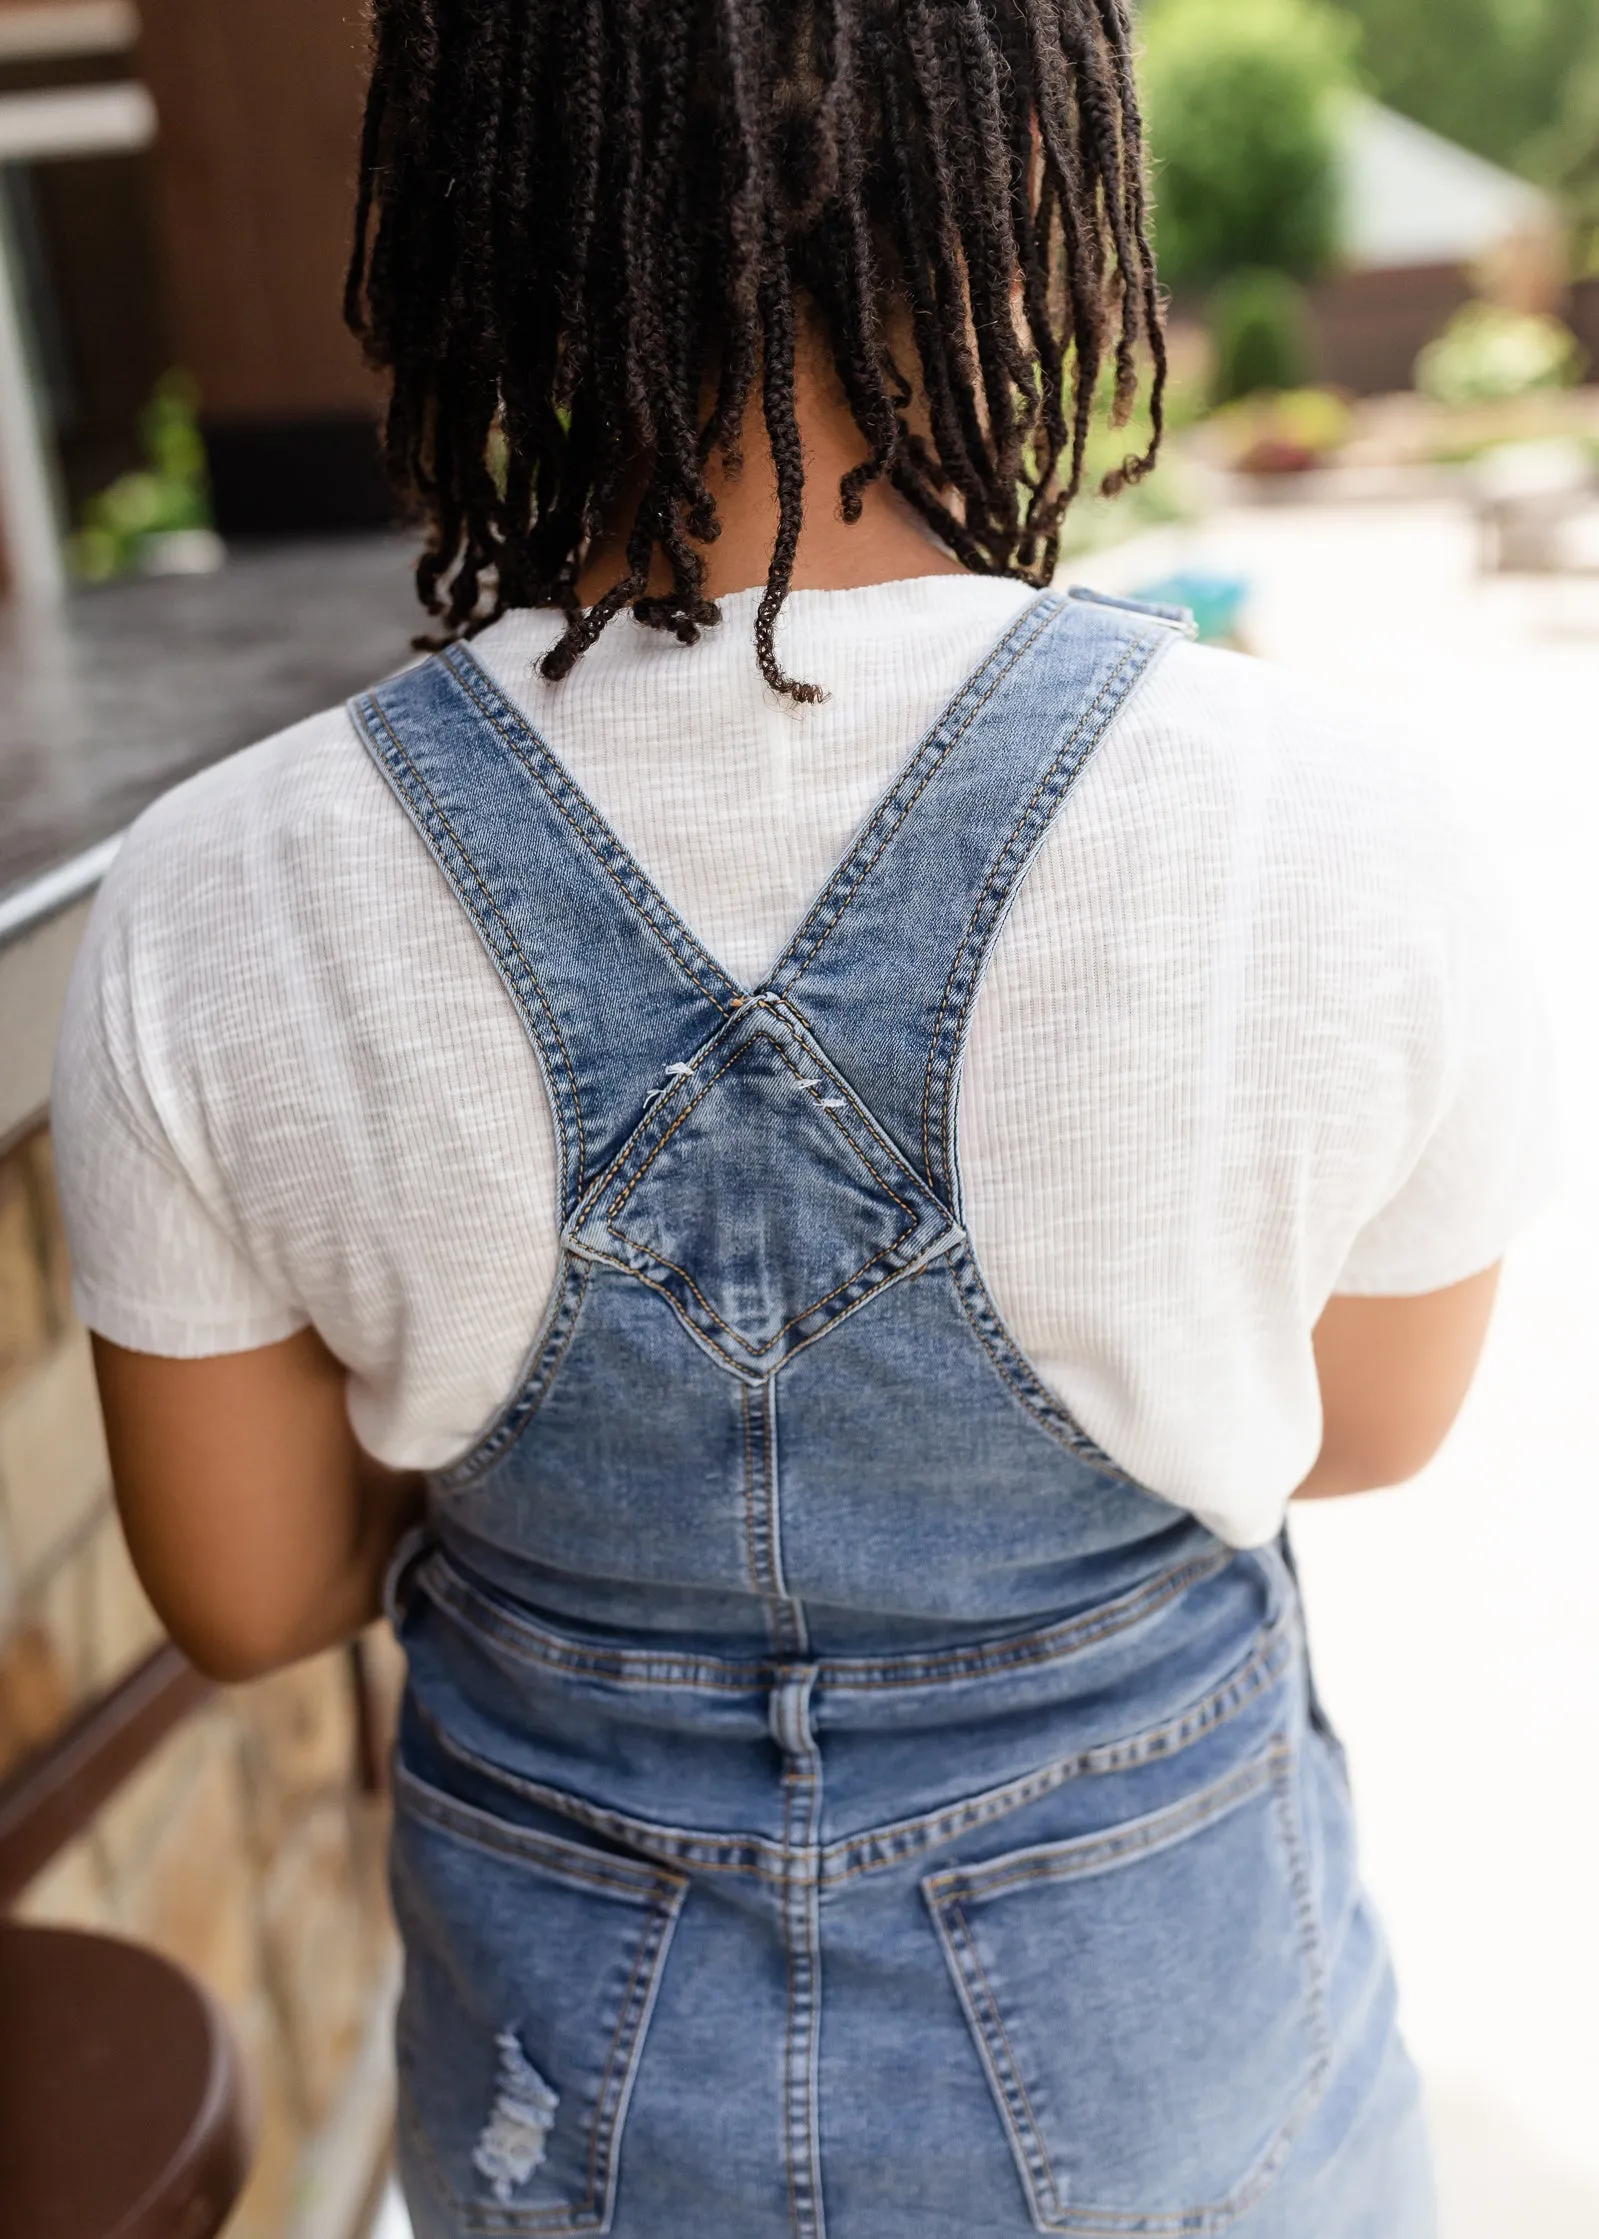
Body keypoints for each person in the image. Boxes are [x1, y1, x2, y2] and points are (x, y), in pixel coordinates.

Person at [53, 3, 1552, 2234]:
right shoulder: (1332, 824)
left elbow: (255, 1593)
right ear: (1028, 192)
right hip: (1184, 2070)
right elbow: (1364, 1421)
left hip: (582, 2103)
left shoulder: (221, 889)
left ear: (486, 217)